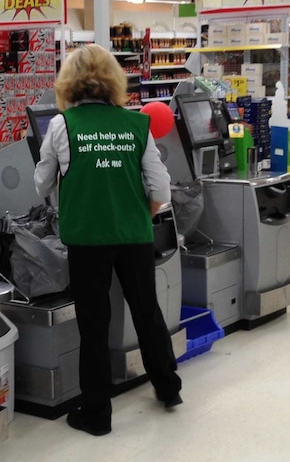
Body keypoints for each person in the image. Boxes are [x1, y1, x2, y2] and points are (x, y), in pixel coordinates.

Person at [33, 44, 182, 436]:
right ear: (114, 79)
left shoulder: (63, 125)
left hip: (86, 238)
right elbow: (160, 185)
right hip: (133, 236)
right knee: (146, 311)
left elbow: (41, 183)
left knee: (94, 324)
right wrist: (140, 216)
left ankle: (97, 413)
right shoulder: (136, 124)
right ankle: (168, 388)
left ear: (69, 82)